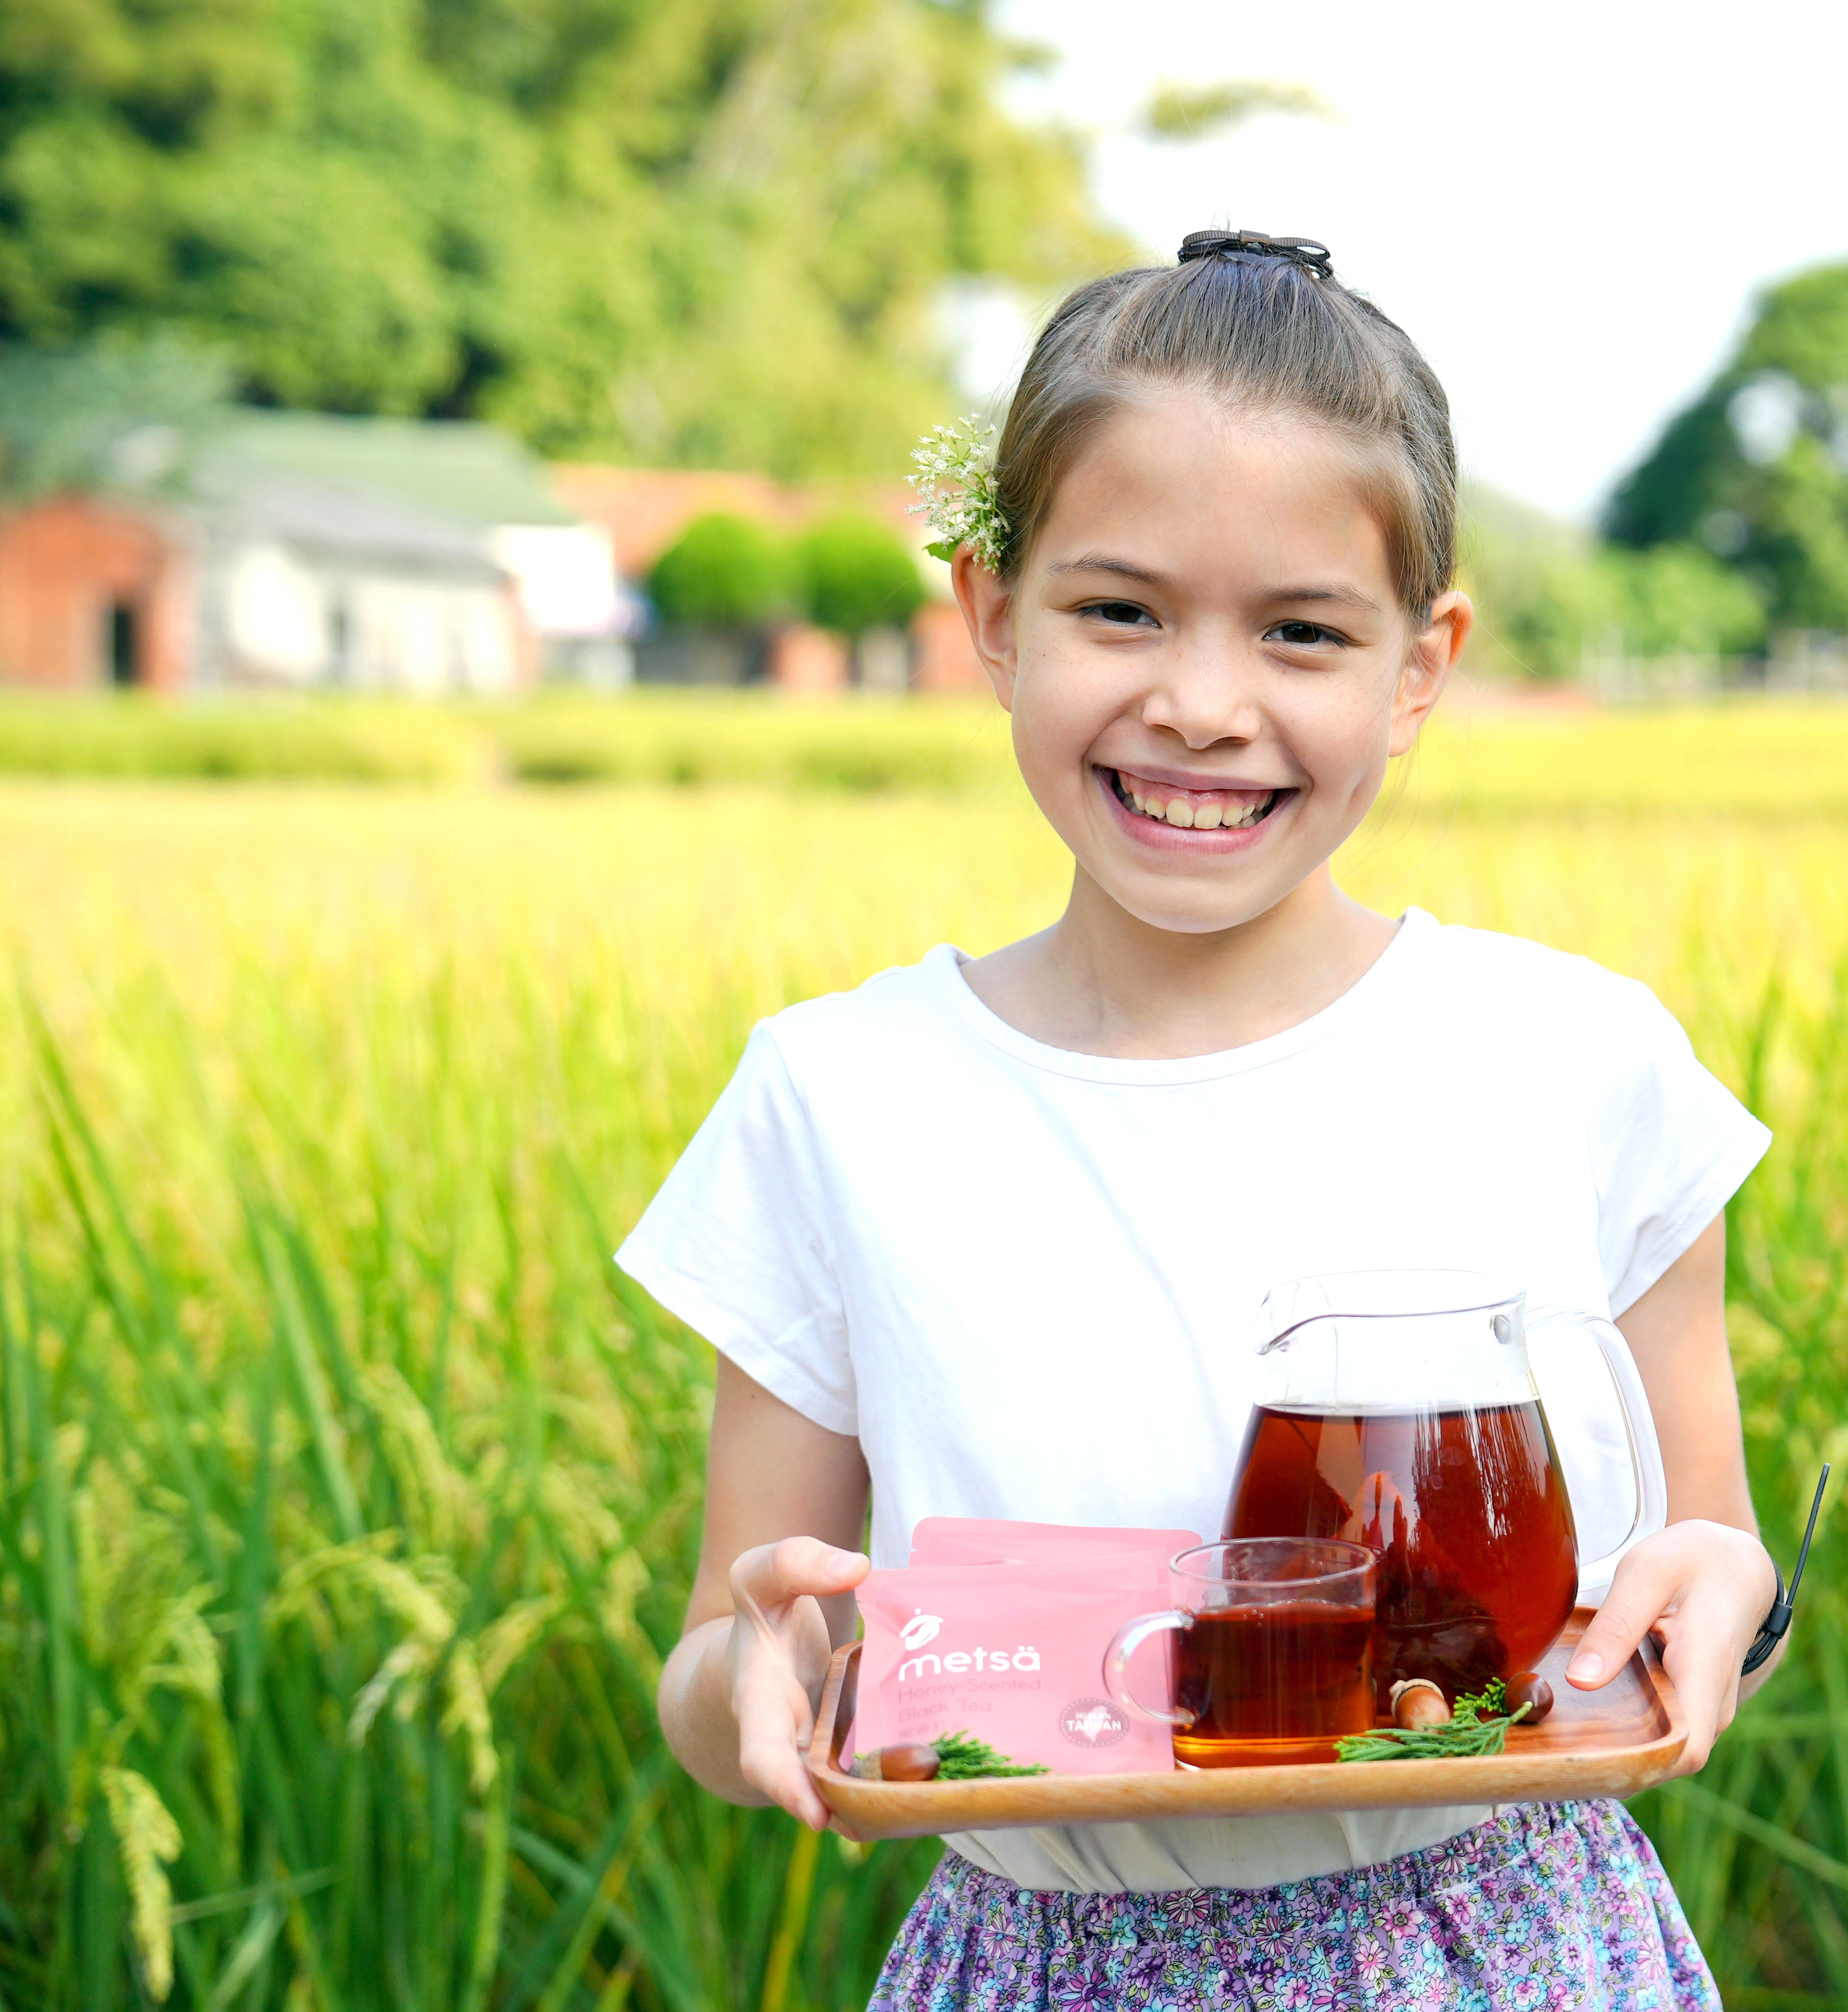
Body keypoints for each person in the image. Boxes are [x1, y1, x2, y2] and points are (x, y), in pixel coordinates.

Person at [619, 229, 1782, 2009]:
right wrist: (753, 1680)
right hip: (1041, 1962)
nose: (1202, 704)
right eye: (1121, 609)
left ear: (1420, 666)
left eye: (1301, 632)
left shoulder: (1577, 1059)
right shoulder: (838, 1097)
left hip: (1509, 1949)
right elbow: (724, 1656)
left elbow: (1699, 1587)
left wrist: (1734, 1596)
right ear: (993, 615)